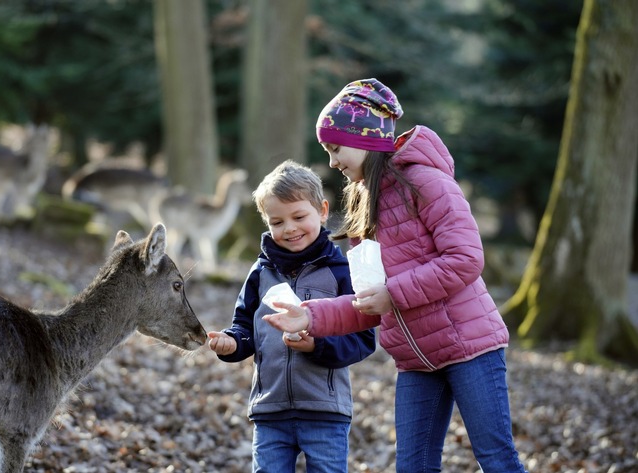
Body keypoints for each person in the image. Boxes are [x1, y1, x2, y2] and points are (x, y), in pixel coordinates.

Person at [263, 79, 528, 473]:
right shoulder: (362, 207)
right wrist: (311, 317)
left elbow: (465, 259)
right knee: (414, 467)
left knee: (496, 458)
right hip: (415, 361)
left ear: (365, 139)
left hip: (470, 347)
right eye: (327, 151)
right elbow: (370, 302)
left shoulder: (428, 183)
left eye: (335, 148)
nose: (333, 161)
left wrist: (394, 293)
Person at [208, 160, 376, 473]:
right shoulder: (261, 273)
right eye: (277, 222)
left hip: (325, 410)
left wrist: (317, 346)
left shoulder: (341, 273)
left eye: (299, 217)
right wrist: (231, 344)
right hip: (270, 410)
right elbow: (244, 328)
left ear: (322, 211)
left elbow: (364, 340)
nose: (290, 228)